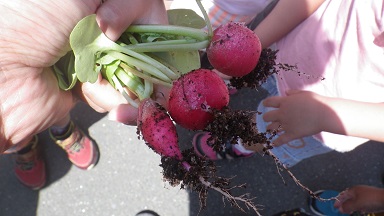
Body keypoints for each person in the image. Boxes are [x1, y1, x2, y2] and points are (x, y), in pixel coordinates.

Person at [0, 0, 169, 189]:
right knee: (19, 127)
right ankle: (24, 148)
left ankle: (64, 132)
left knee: (54, 94)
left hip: (25, 41)